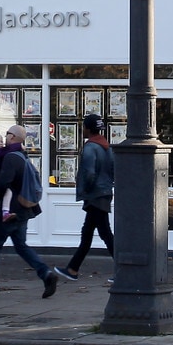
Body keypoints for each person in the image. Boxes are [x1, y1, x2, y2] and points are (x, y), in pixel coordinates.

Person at [0, 130, 64, 299]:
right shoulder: (23, 156)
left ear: (12, 136)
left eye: (7, 134)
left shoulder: (11, 157)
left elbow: (4, 182)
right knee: (21, 245)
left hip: (10, 210)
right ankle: (45, 273)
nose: (5, 137)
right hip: (23, 209)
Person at [65, 113, 115, 281]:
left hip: (95, 195)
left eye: (84, 127)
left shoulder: (90, 147)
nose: (83, 130)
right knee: (88, 233)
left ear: (87, 128)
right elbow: (114, 171)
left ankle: (125, 271)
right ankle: (72, 269)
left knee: (105, 234)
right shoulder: (107, 147)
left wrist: (84, 190)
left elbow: (89, 173)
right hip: (104, 193)